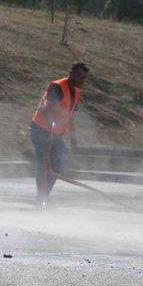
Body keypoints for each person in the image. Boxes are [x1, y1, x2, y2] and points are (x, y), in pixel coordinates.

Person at [29, 62, 89, 206]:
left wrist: (73, 137)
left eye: (84, 78)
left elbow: (71, 117)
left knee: (58, 164)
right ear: (71, 73)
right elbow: (47, 108)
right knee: (44, 163)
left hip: (56, 134)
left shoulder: (76, 93)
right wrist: (55, 122)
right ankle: (42, 197)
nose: (82, 80)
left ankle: (44, 195)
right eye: (80, 77)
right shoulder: (57, 86)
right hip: (41, 129)